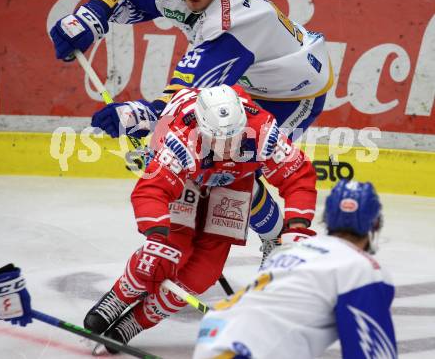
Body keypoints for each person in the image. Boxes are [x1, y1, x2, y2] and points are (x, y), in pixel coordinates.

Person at [49, 0, 332, 262]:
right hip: (248, 76)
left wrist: (139, 118)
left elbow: (186, 96)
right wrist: (88, 17)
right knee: (217, 160)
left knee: (238, 168)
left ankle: (277, 239)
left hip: (293, 91)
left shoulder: (233, 23)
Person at [83, 84, 317, 352]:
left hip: (235, 180)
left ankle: (135, 323)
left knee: (202, 274)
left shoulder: (263, 130)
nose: (228, 146)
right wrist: (157, 236)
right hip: (187, 179)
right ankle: (118, 297)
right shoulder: (182, 136)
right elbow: (152, 190)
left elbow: (297, 177)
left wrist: (297, 228)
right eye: (220, 139)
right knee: (168, 253)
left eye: (235, 137)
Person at [193, 179, 397, 359]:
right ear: (375, 223)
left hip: (214, 340)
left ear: (327, 218)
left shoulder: (288, 253)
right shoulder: (361, 268)